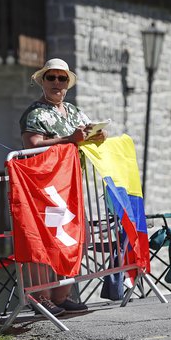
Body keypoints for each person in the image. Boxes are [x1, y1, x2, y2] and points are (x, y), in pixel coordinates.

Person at [19, 58, 107, 316]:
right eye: (52, 78)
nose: (57, 83)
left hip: (70, 186)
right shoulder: (34, 113)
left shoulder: (76, 112)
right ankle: (41, 299)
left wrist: (99, 137)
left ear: (67, 84)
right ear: (42, 81)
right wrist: (70, 139)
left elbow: (85, 139)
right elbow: (31, 145)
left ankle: (62, 296)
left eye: (62, 78)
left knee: (72, 238)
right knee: (45, 242)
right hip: (44, 187)